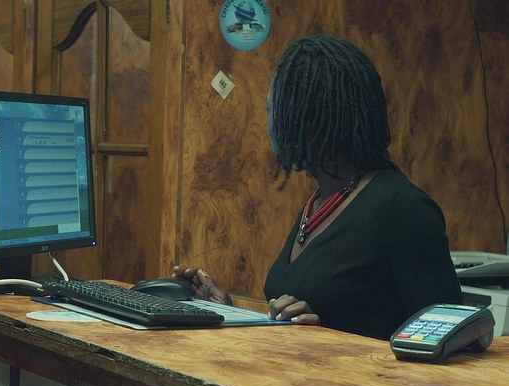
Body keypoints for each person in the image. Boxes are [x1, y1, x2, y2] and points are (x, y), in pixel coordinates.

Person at [173, 34, 461, 340]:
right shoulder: (321, 203)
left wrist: (328, 341)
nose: (269, 124)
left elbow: (451, 344)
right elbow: (308, 318)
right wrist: (228, 312)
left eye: (273, 110)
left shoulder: (403, 209)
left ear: (309, 118)